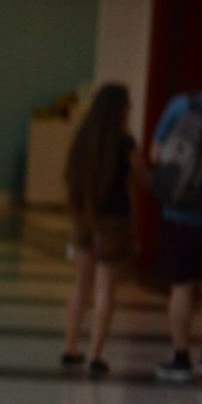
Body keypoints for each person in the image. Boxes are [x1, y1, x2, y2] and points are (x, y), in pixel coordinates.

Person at [60, 83, 139, 378]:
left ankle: (70, 348)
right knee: (105, 288)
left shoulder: (83, 138)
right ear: (121, 108)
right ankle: (95, 355)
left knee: (81, 286)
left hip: (83, 216)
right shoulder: (125, 142)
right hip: (114, 220)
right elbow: (143, 177)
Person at [149, 85, 202, 383]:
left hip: (181, 214)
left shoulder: (181, 105)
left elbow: (156, 153)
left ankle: (181, 359)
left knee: (181, 288)